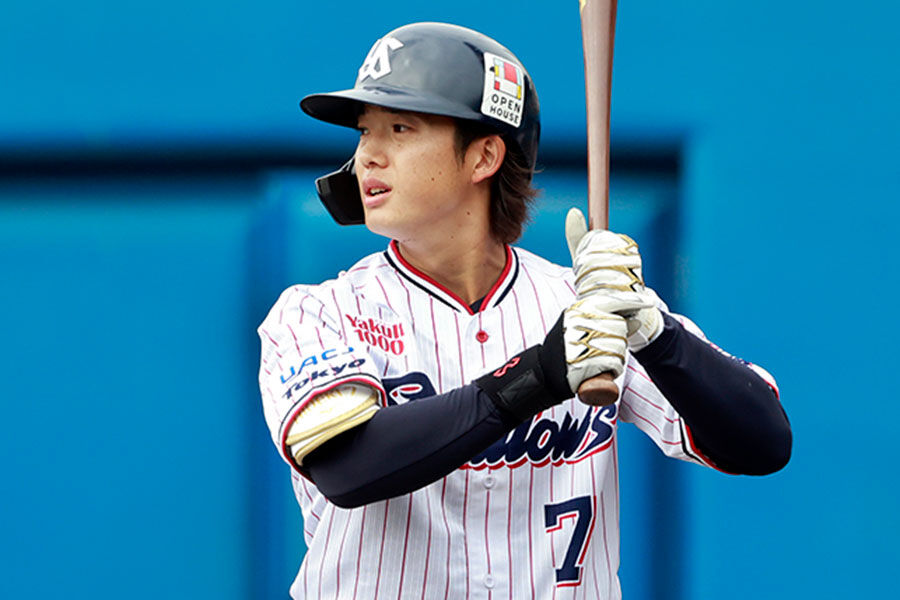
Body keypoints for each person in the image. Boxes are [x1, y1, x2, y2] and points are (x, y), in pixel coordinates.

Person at [257, 22, 791, 599]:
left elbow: (762, 442)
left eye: (400, 128)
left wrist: (655, 333)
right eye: (365, 132)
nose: (368, 156)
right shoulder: (318, 313)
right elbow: (348, 468)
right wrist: (536, 377)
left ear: (483, 155)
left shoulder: (584, 306)